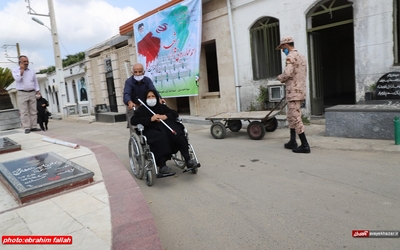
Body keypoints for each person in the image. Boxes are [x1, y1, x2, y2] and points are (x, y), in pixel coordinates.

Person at [131, 89, 199, 174]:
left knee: (178, 134)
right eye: (148, 97)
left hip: (166, 128)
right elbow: (133, 120)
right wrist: (151, 119)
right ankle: (162, 165)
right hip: (151, 129)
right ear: (145, 99)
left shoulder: (161, 107)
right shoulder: (142, 110)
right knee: (161, 137)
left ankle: (188, 160)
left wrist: (165, 116)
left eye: (153, 96)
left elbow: (174, 113)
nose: (151, 98)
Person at [276, 37, 310, 153]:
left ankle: (305, 145)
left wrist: (280, 78)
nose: (282, 50)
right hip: (300, 90)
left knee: (295, 118)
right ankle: (292, 141)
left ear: (286, 45)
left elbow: (287, 73)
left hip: (293, 92)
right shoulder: (301, 57)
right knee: (291, 116)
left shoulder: (290, 56)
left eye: (282, 48)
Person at [123, 62, 164, 129]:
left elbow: (153, 90)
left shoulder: (147, 80)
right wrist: (129, 102)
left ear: (143, 72)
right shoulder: (129, 82)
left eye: (140, 72)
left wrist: (159, 98)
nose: (138, 74)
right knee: (134, 127)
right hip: (134, 107)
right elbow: (127, 93)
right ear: (132, 72)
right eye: (135, 72)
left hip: (145, 106)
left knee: (148, 124)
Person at [11, 55, 41, 134]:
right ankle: (27, 127)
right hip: (22, 93)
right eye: (24, 61)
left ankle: (34, 126)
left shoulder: (32, 71)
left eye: (27, 61)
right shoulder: (15, 70)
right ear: (20, 62)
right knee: (24, 111)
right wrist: (22, 70)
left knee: (33, 110)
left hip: (31, 92)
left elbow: (35, 81)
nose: (26, 63)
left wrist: (37, 90)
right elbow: (17, 79)